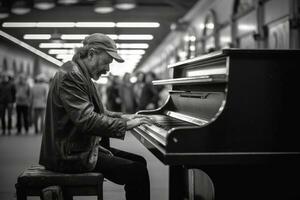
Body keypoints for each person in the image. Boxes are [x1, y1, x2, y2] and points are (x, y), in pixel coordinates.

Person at [39, 33, 153, 200]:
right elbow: (87, 120)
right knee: (137, 171)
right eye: (107, 62)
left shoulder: (80, 73)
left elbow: (99, 112)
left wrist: (125, 117)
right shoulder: (71, 75)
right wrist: (125, 125)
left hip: (78, 147)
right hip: (68, 155)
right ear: (91, 54)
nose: (108, 69)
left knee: (140, 162)